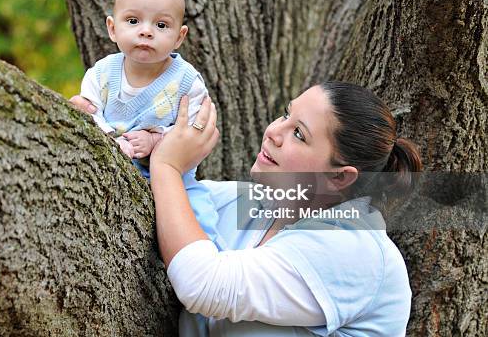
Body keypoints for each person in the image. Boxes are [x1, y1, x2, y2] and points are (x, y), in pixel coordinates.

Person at [71, 81, 422, 335]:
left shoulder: (356, 250)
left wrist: (168, 166)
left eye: (299, 133)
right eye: (286, 114)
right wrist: (94, 131)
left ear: (340, 177)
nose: (274, 132)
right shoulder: (252, 205)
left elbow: (202, 284)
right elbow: (149, 199)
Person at [70, 0, 226, 250]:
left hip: (173, 180)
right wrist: (110, 139)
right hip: (110, 165)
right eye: (133, 21)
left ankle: (209, 259)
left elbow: (192, 133)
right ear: (112, 28)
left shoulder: (187, 82)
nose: (146, 31)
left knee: (200, 211)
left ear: (179, 37)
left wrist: (156, 141)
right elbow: (89, 112)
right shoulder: (102, 74)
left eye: (161, 25)